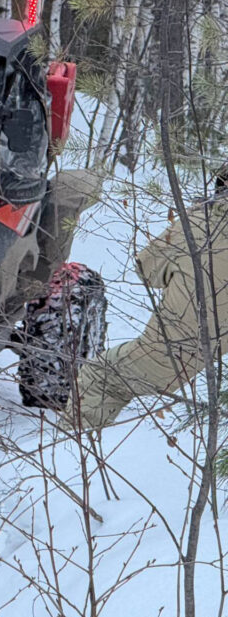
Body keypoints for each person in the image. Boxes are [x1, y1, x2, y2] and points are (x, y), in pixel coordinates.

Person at [63, 165, 228, 430]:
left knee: (100, 376)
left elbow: (146, 269)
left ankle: (72, 450)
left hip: (178, 354)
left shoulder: (201, 223)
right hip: (216, 358)